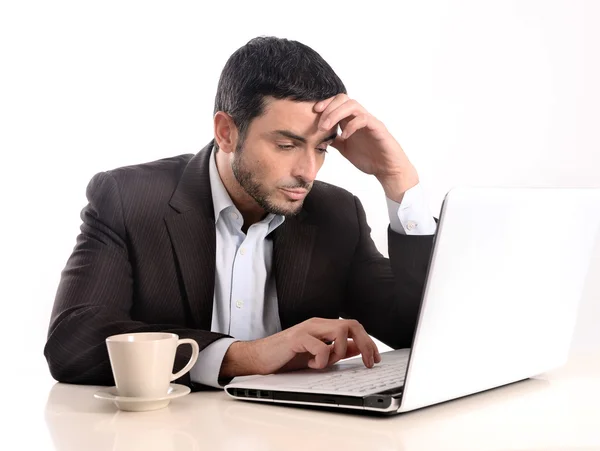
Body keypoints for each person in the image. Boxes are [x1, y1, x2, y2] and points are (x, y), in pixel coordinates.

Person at [44, 36, 438, 391]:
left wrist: (397, 179)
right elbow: (73, 342)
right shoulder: (130, 198)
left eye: (321, 148)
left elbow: (417, 332)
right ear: (226, 132)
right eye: (287, 144)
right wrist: (245, 356)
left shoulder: (336, 213)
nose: (308, 171)